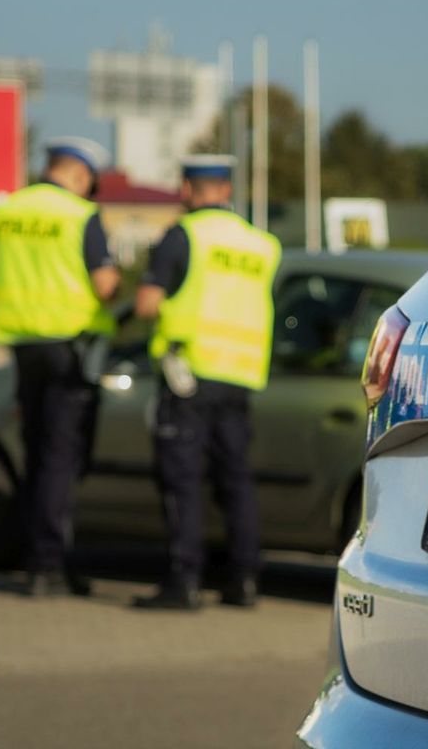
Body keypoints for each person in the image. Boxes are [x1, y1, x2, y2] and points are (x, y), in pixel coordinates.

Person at [133, 154, 282, 610]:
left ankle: (184, 581)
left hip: (190, 377)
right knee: (235, 480)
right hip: (240, 376)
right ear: (228, 190)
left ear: (186, 190)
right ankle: (244, 580)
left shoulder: (184, 236)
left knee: (182, 480)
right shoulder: (263, 245)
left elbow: (145, 304)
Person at [0, 137, 120, 597]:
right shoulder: (81, 217)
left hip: (21, 348)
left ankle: (43, 555)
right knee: (61, 460)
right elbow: (105, 286)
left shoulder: (6, 212)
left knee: (37, 455)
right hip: (69, 350)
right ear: (82, 176)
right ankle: (48, 565)